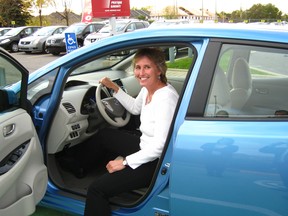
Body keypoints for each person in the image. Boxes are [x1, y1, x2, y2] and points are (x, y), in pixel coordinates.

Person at [84, 47, 179, 216]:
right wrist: (114, 88)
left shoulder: (166, 98)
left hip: (156, 163)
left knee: (96, 190)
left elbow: (160, 147)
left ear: (159, 70)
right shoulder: (148, 88)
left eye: (147, 67)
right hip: (145, 147)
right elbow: (135, 108)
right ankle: (77, 169)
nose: (140, 73)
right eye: (137, 67)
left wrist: (125, 162)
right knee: (103, 135)